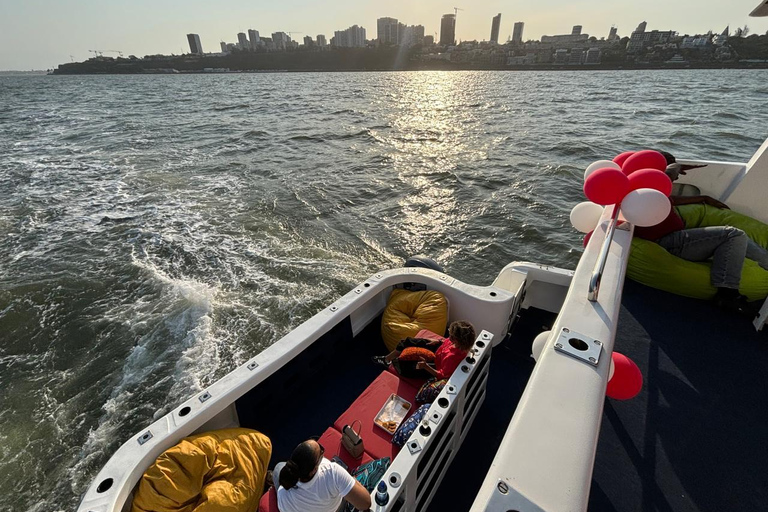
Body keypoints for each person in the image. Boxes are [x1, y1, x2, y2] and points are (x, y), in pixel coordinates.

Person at [634, 151, 768, 314]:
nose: (677, 177)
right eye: (673, 169)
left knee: (740, 239)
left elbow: (671, 200)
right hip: (668, 243)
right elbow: (668, 176)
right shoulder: (647, 186)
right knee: (733, 234)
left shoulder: (649, 191)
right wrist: (676, 165)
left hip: (677, 237)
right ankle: (727, 293)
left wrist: (702, 198)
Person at [273, 438, 371, 512]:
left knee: (278, 467)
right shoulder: (332, 472)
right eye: (321, 452)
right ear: (314, 469)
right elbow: (365, 503)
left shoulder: (283, 494)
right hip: (336, 508)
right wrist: (352, 480)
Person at [372, 321, 477, 379]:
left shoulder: (453, 358)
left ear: (459, 340)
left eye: (452, 337)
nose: (449, 338)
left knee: (404, 365)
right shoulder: (454, 343)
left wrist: (425, 366)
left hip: (434, 364)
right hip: (438, 351)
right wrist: (439, 342)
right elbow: (447, 343)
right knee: (408, 341)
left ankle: (392, 363)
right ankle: (387, 359)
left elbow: (442, 375)